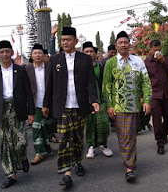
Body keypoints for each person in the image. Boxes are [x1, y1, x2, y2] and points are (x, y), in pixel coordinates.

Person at [43, 27, 99, 187]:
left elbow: (91, 82)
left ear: (75, 41)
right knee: (63, 140)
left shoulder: (84, 59)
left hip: (80, 105)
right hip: (62, 106)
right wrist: (46, 104)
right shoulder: (55, 59)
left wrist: (94, 100)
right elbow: (50, 84)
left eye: (68, 40)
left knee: (78, 138)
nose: (65, 42)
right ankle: (66, 172)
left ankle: (77, 162)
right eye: (63, 40)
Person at [0, 40, 35, 189]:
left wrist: (31, 112)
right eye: (2, 52)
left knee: (21, 142)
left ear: (12, 53)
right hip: (0, 111)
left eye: (7, 51)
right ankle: (10, 174)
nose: (5, 54)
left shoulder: (20, 70)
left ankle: (22, 158)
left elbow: (28, 93)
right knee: (5, 144)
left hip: (17, 109)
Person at [102, 31, 151, 182]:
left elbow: (146, 82)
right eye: (120, 43)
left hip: (135, 105)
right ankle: (130, 166)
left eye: (126, 42)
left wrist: (147, 100)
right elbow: (106, 85)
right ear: (116, 45)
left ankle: (129, 164)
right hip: (118, 107)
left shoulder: (138, 61)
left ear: (130, 44)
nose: (123, 45)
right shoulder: (111, 63)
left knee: (130, 136)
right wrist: (109, 105)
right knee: (124, 136)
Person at [144, 40, 168, 155]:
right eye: (155, 50)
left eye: (159, 50)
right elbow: (143, 81)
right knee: (157, 120)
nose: (157, 52)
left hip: (166, 94)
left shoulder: (166, 59)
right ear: (150, 50)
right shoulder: (146, 63)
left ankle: (164, 134)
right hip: (154, 95)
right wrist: (143, 97)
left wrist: (163, 61)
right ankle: (160, 143)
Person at [82, 42, 112, 159]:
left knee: (103, 124)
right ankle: (91, 146)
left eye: (91, 52)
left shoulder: (100, 67)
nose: (89, 54)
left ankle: (103, 144)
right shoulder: (79, 68)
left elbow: (105, 83)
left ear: (96, 54)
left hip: (100, 100)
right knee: (89, 125)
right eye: (86, 52)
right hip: (86, 102)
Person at [25, 44, 53, 165]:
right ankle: (39, 152)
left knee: (46, 127)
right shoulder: (27, 70)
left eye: (39, 53)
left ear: (44, 55)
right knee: (36, 127)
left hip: (49, 102)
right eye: (35, 53)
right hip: (34, 103)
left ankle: (46, 148)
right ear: (31, 55)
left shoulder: (49, 67)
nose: (37, 55)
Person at [101, 44, 118, 132]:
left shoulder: (118, 61)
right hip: (107, 86)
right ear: (108, 52)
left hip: (117, 87)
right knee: (109, 104)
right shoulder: (104, 62)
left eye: (115, 53)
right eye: (112, 53)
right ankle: (112, 123)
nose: (113, 54)